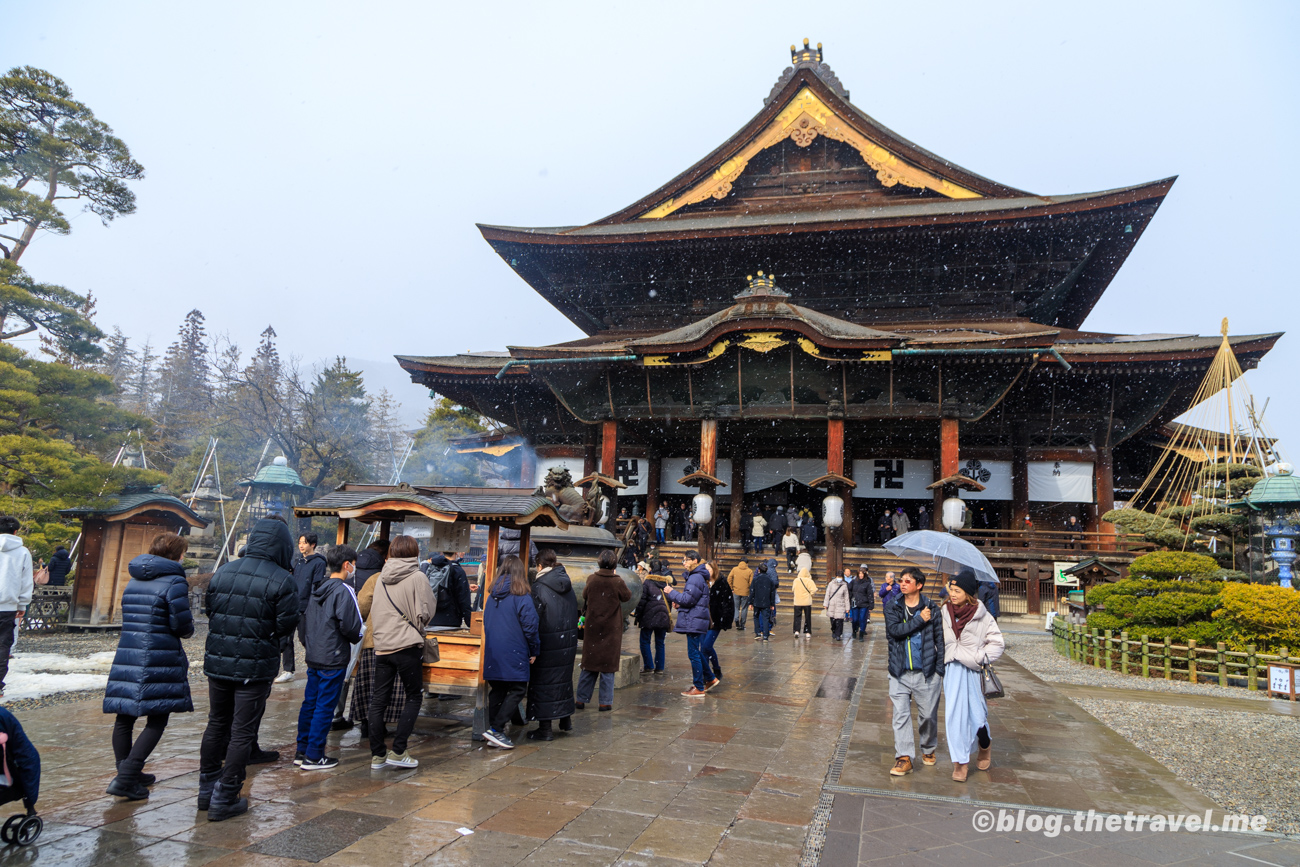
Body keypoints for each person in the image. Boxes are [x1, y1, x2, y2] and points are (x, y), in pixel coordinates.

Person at [199, 517, 299, 821]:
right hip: (255, 666)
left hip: (218, 660)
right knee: (242, 729)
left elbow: (210, 610)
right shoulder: (282, 580)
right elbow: (286, 625)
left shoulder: (223, 572)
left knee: (217, 723)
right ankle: (226, 794)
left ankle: (206, 789)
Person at [103, 532, 194, 800]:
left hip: (128, 652)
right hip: (158, 653)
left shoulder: (134, 580)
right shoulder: (175, 581)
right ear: (177, 555)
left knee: (125, 715)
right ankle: (127, 777)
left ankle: (126, 772)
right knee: (158, 716)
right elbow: (182, 625)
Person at [292, 544, 363, 771]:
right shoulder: (344, 590)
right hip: (333, 655)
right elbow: (352, 626)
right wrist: (358, 634)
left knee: (310, 703)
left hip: (315, 653)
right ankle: (314, 755)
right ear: (346, 565)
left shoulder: (317, 588)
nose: (355, 569)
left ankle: (302, 750)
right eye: (354, 564)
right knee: (325, 706)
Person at [368, 535, 435, 770]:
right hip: (407, 645)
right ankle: (398, 750)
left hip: (382, 646)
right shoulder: (418, 577)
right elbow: (426, 611)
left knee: (378, 700)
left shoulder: (381, 578)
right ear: (414, 552)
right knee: (414, 696)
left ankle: (377, 755)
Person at [941, 569, 1005, 782]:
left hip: (973, 670)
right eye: (952, 589)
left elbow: (997, 644)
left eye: (958, 590)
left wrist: (979, 657)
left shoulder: (982, 615)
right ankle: (960, 761)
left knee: (977, 716)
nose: (953, 594)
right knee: (954, 716)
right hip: (952, 669)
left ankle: (984, 744)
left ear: (968, 593)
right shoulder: (943, 611)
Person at [884, 567, 945, 777]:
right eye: (901, 580)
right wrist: (919, 620)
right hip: (899, 670)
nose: (902, 584)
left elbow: (940, 640)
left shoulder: (932, 608)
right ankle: (904, 757)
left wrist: (939, 670)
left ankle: (928, 748)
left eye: (908, 581)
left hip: (926, 672)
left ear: (919, 585)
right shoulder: (893, 606)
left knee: (928, 715)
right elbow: (895, 631)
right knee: (900, 715)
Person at [481, 555, 539, 750]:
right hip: (514, 649)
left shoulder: (492, 595)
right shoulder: (522, 596)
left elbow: (486, 623)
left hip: (494, 651)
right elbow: (531, 627)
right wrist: (534, 650)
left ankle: (493, 730)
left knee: (497, 689)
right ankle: (496, 730)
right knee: (517, 689)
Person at [331, 539, 388, 731]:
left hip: (351, 630)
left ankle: (336, 715)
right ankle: (372, 720)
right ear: (385, 556)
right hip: (377, 635)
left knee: (344, 673)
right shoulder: (378, 575)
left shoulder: (346, 575)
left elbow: (361, 607)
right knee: (376, 681)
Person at [350, 549, 407, 740]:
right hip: (399, 641)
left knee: (369, 686)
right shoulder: (412, 579)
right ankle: (382, 724)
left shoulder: (375, 579)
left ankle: (367, 725)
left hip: (373, 640)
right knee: (389, 687)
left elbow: (362, 607)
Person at [525, 549, 578, 741]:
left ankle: (545, 728)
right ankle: (565, 720)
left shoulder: (539, 587)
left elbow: (534, 620)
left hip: (548, 641)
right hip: (567, 640)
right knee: (563, 679)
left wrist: (531, 646)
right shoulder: (566, 583)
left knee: (544, 683)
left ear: (539, 566)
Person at [577, 549, 630, 711]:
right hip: (611, 630)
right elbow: (627, 596)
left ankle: (581, 699)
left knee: (589, 665)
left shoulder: (592, 579)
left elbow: (585, 595)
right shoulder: (617, 581)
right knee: (607, 668)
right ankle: (605, 702)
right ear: (614, 564)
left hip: (593, 628)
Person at [276, 532, 328, 684]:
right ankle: (288, 670)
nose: (301, 545)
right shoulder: (298, 562)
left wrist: (311, 607)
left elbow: (316, 586)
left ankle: (318, 664)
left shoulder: (319, 563)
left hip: (306, 606)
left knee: (305, 638)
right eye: (300, 542)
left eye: (304, 543)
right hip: (292, 605)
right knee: (286, 638)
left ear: (312, 545)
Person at [668, 552, 711, 697]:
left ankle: (699, 686)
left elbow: (688, 599)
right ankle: (710, 678)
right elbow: (693, 600)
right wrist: (679, 604)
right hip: (695, 618)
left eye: (686, 560)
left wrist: (671, 592)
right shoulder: (697, 577)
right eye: (683, 560)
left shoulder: (695, 577)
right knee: (695, 651)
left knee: (693, 653)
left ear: (695, 561)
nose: (684, 563)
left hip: (694, 619)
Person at [0, 516, 33, 700]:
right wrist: (22, 603)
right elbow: (26, 580)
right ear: (15, 531)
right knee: (3, 645)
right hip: (7, 605)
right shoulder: (23, 552)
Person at [633, 561, 671, 675]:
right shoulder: (666, 583)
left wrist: (637, 615)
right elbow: (669, 599)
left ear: (650, 569)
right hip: (663, 616)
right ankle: (659, 667)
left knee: (645, 641)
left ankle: (649, 666)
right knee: (660, 642)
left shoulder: (647, 582)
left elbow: (642, 601)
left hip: (648, 616)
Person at [700, 564, 733, 688]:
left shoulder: (721, 583)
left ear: (714, 570)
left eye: (709, 569)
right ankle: (712, 671)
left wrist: (724, 619)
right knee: (705, 647)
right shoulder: (703, 582)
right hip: (704, 619)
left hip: (716, 620)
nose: (706, 571)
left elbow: (728, 603)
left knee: (706, 646)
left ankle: (711, 673)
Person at [425, 551, 473, 630]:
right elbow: (464, 600)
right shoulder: (458, 571)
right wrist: (470, 623)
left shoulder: (432, 567)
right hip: (450, 621)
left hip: (431, 620)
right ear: (456, 552)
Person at [749, 558, 777, 641]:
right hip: (766, 602)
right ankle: (765, 635)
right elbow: (772, 593)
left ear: (759, 570)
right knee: (765, 618)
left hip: (757, 601)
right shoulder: (770, 580)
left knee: (756, 617)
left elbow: (752, 591)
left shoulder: (755, 579)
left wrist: (751, 602)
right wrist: (772, 604)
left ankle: (757, 633)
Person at [823, 569, 850, 641]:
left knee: (839, 621)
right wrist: (825, 604)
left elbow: (846, 597)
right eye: (838, 576)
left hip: (841, 605)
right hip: (832, 605)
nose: (839, 578)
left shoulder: (844, 585)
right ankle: (834, 631)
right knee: (833, 621)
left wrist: (847, 608)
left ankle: (838, 634)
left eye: (840, 577)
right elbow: (827, 594)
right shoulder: (831, 584)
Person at [849, 566, 875, 640]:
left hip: (864, 604)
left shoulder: (867, 583)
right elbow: (848, 589)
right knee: (855, 619)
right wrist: (851, 597)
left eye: (862, 574)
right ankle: (854, 630)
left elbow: (870, 595)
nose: (860, 575)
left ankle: (861, 633)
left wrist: (871, 605)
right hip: (855, 603)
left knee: (862, 619)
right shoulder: (853, 582)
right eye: (859, 573)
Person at [791, 567, 817, 639]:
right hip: (807, 602)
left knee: (797, 617)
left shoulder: (796, 580)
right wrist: (811, 594)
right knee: (807, 617)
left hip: (797, 602)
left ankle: (796, 630)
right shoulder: (809, 581)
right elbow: (814, 590)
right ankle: (807, 631)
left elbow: (793, 589)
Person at [728, 559, 752, 630]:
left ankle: (736, 619)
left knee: (736, 607)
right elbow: (751, 582)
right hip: (745, 592)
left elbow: (729, 578)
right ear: (747, 563)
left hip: (736, 591)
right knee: (744, 608)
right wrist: (748, 587)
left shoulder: (735, 569)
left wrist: (731, 588)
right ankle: (742, 623)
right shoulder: (749, 571)